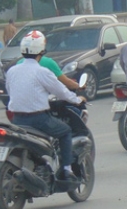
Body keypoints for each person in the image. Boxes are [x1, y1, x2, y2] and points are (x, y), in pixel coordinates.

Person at [6, 31, 86, 182]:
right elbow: (61, 91)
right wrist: (77, 100)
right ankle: (67, 170)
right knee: (65, 131)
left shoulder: (12, 71)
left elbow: (11, 91)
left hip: (16, 119)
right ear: (41, 51)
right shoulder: (42, 71)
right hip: (38, 119)